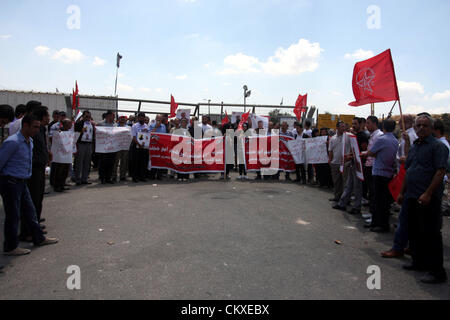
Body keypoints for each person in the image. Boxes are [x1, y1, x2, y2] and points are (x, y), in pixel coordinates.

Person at [398, 114, 448, 284]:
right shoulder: (415, 146)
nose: (420, 128)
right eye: (418, 125)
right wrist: (402, 192)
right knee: (414, 231)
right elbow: (409, 169)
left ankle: (436, 271)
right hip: (411, 195)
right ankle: (418, 262)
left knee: (431, 234)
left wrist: (428, 193)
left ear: (432, 128)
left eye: (425, 125)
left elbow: (440, 172)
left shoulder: (438, 147)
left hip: (428, 198)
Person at [0, 114, 58, 256]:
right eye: (34, 127)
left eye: (38, 127)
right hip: (10, 182)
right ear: (25, 125)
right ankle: (10, 247)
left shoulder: (29, 141)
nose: (37, 130)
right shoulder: (12, 142)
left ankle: (38, 238)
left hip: (22, 182)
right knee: (13, 216)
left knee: (30, 212)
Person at [19, 106, 50, 241]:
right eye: (47, 115)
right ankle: (27, 232)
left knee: (38, 199)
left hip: (39, 168)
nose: (48, 118)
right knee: (32, 200)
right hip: (33, 170)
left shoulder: (39, 131)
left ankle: (35, 226)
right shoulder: (24, 137)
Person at [364, 119, 398, 232]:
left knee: (378, 200)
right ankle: (379, 222)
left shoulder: (381, 139)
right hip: (388, 172)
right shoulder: (394, 140)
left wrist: (369, 153)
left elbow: (371, 152)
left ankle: (379, 224)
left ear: (383, 126)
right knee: (383, 201)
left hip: (379, 172)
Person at [333, 118, 368, 215]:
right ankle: (342, 203)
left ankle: (357, 207)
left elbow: (363, 151)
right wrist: (349, 156)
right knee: (349, 185)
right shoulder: (354, 135)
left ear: (361, 124)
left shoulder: (363, 136)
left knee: (357, 187)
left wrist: (350, 156)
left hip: (359, 165)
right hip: (353, 163)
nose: (353, 125)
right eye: (352, 124)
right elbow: (354, 150)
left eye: (355, 124)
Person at [362, 116, 383, 223]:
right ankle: (371, 213)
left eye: (368, 123)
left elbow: (375, 152)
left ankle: (375, 216)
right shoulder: (372, 135)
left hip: (375, 166)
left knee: (374, 193)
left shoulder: (379, 136)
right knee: (371, 192)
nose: (366, 125)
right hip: (369, 165)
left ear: (375, 123)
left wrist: (364, 153)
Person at [74, 110, 94, 185]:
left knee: (87, 162)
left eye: (89, 116)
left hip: (89, 144)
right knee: (79, 162)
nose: (88, 118)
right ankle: (77, 179)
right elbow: (75, 133)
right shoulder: (79, 123)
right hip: (81, 144)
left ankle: (84, 178)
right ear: (83, 116)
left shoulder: (91, 124)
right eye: (86, 116)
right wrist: (80, 131)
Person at [96, 110, 117, 184]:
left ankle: (108, 178)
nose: (114, 117)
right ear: (108, 116)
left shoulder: (115, 125)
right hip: (103, 147)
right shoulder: (100, 124)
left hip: (112, 147)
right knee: (103, 163)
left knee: (111, 163)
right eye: (113, 115)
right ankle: (102, 178)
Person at [329, 122, 346, 201]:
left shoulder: (347, 137)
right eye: (342, 126)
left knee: (345, 182)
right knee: (336, 181)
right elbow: (331, 150)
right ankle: (337, 196)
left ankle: (345, 198)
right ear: (337, 128)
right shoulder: (333, 138)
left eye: (344, 126)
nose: (344, 128)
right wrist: (330, 160)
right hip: (335, 163)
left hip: (345, 163)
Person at [130, 113, 150, 183]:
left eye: (143, 117)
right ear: (138, 118)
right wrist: (139, 144)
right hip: (136, 146)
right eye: (140, 117)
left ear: (144, 118)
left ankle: (142, 177)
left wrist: (145, 144)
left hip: (144, 147)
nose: (141, 118)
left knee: (143, 162)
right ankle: (135, 177)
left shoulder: (146, 126)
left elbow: (147, 136)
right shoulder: (134, 126)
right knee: (135, 162)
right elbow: (134, 137)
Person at [113, 116, 130, 182]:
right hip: (117, 147)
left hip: (125, 147)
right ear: (119, 119)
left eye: (124, 118)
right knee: (115, 162)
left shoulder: (128, 127)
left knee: (124, 162)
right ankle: (114, 176)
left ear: (126, 120)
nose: (122, 120)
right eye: (121, 118)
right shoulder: (115, 127)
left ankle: (122, 176)